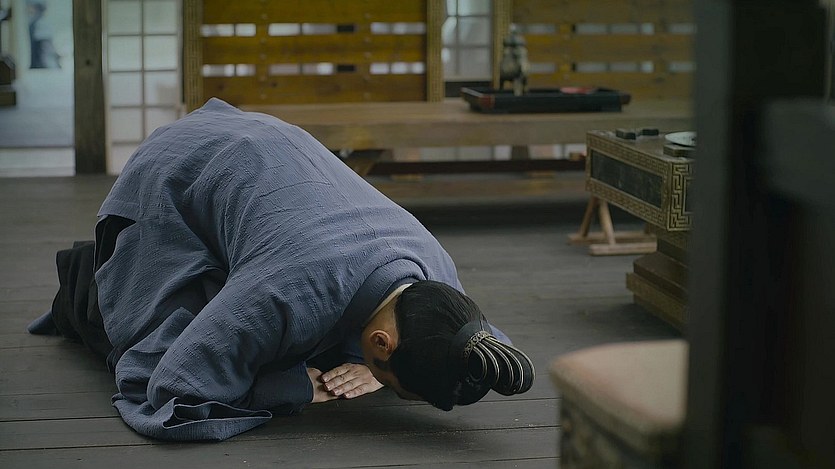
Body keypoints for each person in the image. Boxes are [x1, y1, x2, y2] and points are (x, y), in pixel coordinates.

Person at [28, 98, 534, 441]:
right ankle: (84, 274)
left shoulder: (437, 280)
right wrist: (295, 388)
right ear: (381, 343)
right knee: (150, 334)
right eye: (396, 385)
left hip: (275, 158)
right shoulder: (286, 290)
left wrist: (378, 373)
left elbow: (477, 342)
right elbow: (176, 387)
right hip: (179, 168)